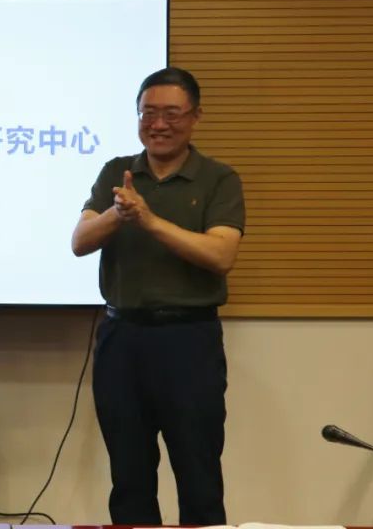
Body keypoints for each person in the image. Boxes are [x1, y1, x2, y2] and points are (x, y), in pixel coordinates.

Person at [71, 67, 245, 525]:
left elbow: (221, 254)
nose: (159, 124)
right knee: (129, 477)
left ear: (195, 116)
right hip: (121, 338)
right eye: (148, 113)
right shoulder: (118, 171)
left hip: (188, 340)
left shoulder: (218, 179)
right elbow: (80, 241)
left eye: (172, 113)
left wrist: (149, 221)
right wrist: (118, 213)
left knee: (198, 474)